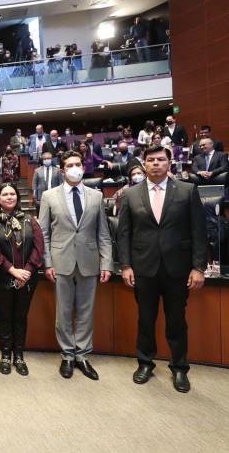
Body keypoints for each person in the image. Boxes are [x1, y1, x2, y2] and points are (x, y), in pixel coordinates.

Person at [117, 145, 207, 393]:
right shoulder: (131, 194)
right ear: (144, 164)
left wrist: (198, 267)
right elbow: (123, 234)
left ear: (169, 163)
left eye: (160, 159)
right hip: (143, 268)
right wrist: (125, 265)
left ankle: (179, 368)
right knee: (145, 320)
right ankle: (145, 363)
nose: (155, 163)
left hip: (177, 269)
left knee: (176, 321)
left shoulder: (187, 190)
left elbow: (199, 232)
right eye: (150, 160)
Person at [38, 151, 113, 380]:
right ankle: (67, 355)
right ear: (62, 170)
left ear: (83, 167)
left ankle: (82, 355)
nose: (74, 168)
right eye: (70, 165)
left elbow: (103, 233)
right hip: (60, 261)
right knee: (63, 312)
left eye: (78, 164)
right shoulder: (49, 196)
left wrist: (106, 263)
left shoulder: (96, 196)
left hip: (89, 261)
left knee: (85, 312)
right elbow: (44, 233)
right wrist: (47, 263)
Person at [0, 184, 45, 376]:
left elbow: (39, 248)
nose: (9, 197)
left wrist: (26, 271)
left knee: (20, 317)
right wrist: (13, 271)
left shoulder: (30, 220)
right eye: (5, 194)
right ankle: (5, 356)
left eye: (12, 194)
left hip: (27, 278)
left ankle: (19, 356)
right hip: (1, 277)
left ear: (17, 197)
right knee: (4, 317)